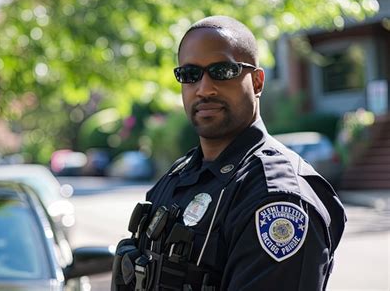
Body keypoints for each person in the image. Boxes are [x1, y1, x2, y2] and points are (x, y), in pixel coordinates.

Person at [111, 15, 346, 291]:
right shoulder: (180, 175)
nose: (204, 88)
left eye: (222, 71)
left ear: (257, 82)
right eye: (190, 75)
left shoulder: (278, 198)